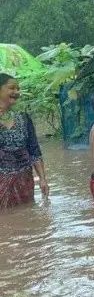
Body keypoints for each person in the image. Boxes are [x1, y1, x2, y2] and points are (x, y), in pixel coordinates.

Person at [0, 73, 49, 209]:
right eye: (12, 88)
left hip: (25, 181)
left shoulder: (24, 118)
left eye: (18, 89)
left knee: (27, 215)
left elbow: (34, 150)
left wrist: (43, 179)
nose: (16, 92)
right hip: (2, 182)